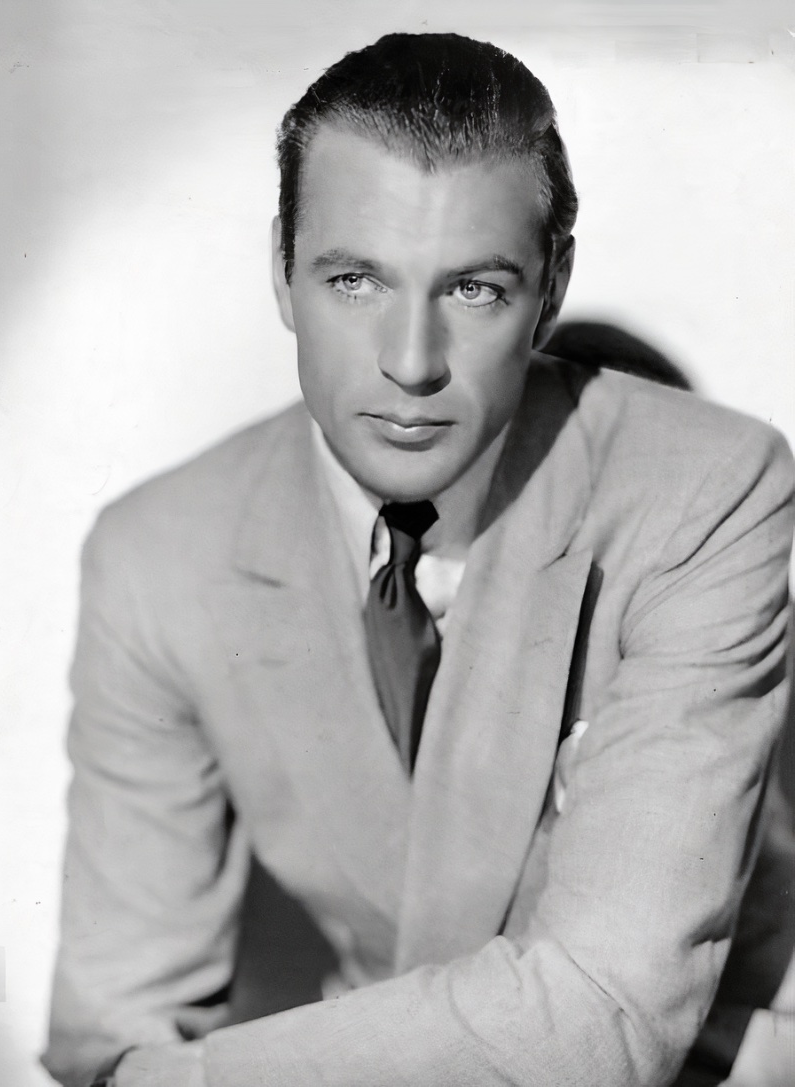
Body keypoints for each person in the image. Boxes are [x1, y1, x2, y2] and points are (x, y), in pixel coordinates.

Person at [42, 32, 795, 1087]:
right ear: (278, 269)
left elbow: (606, 1012)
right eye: (352, 279)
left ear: (550, 288)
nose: (409, 361)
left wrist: (198, 1079)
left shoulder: (708, 488)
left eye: (474, 289)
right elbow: (109, 1034)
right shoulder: (158, 552)